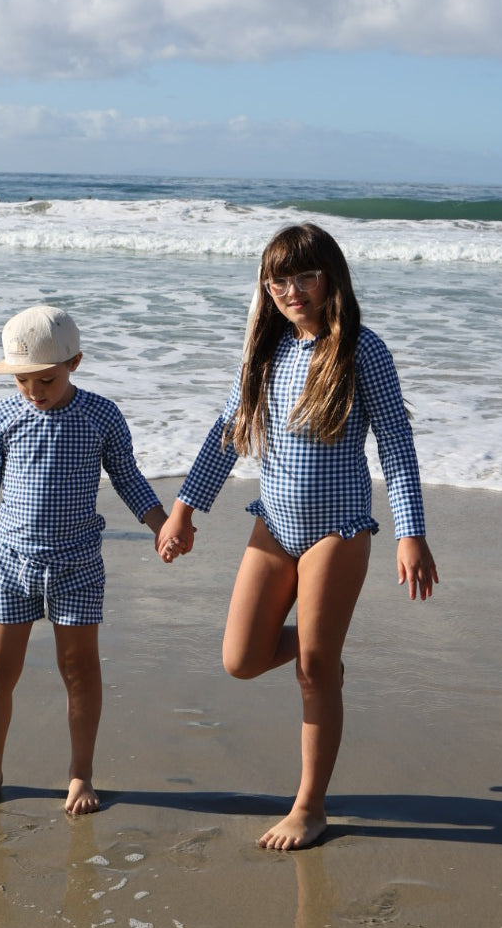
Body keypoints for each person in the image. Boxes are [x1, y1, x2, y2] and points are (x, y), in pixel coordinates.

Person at [158, 223, 437, 851]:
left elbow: (396, 443)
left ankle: (310, 806)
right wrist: (184, 508)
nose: (291, 290)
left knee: (312, 672)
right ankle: (323, 647)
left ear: (330, 278)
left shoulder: (362, 351)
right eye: (278, 279)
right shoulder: (265, 352)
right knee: (242, 659)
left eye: (304, 276)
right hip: (274, 524)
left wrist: (410, 533)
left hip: (339, 528)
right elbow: (227, 431)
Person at [0, 304, 168, 814]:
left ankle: (80, 773)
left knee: (78, 670)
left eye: (45, 379)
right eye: (22, 381)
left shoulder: (101, 415)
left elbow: (128, 478)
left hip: (77, 565)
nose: (34, 391)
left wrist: (162, 526)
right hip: (10, 565)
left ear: (75, 363)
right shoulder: (2, 417)